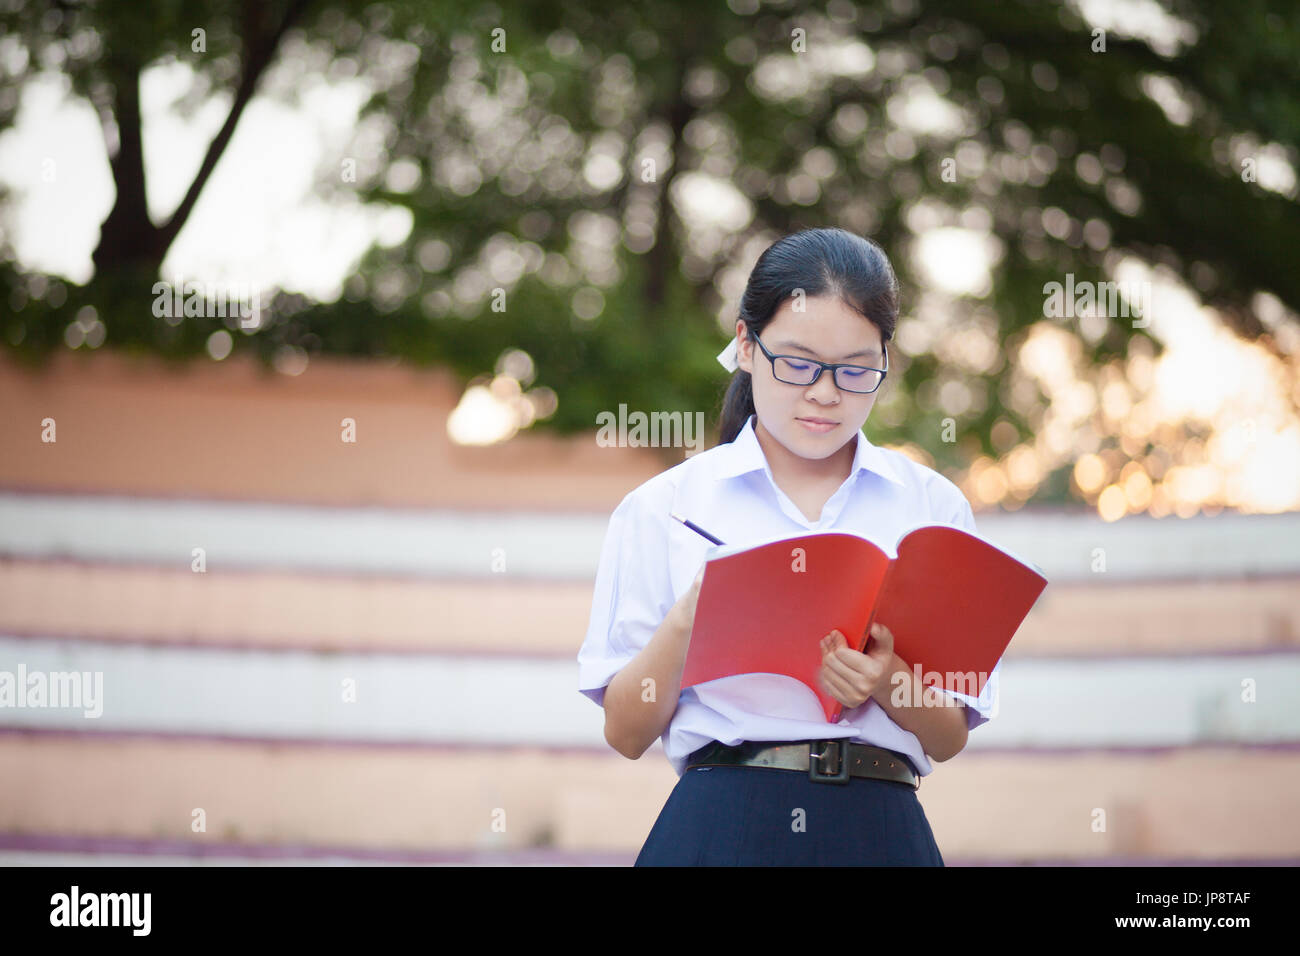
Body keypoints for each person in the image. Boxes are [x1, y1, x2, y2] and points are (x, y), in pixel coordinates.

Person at [576, 227, 1001, 866]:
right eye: (798, 364)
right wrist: (693, 616)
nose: (825, 393)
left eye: (856, 370)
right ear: (746, 346)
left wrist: (889, 679)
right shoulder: (663, 509)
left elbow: (947, 739)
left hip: (880, 826)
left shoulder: (933, 507)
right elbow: (625, 730)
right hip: (722, 823)